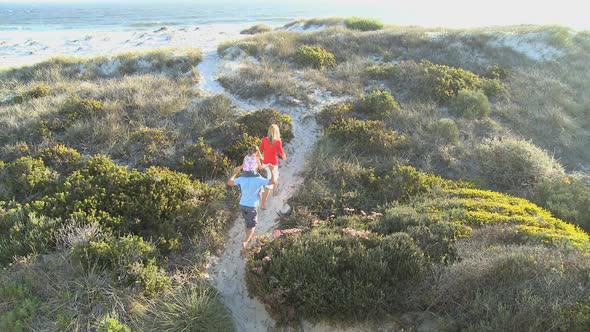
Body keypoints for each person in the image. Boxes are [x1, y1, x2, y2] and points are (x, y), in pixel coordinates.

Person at [227, 165, 276, 256]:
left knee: (247, 222)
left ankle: (247, 237)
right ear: (256, 169)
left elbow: (229, 182)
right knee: (253, 226)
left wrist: (235, 172)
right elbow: (272, 182)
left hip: (242, 205)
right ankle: (245, 242)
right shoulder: (259, 179)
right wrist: (272, 171)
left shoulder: (242, 178)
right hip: (252, 206)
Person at [259, 124, 287, 208]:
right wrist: (284, 157)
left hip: (265, 164)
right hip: (273, 165)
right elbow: (282, 153)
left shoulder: (264, 140)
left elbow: (260, 151)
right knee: (270, 183)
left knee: (275, 177)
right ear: (276, 132)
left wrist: (261, 161)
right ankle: (263, 203)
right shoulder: (278, 142)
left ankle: (274, 192)